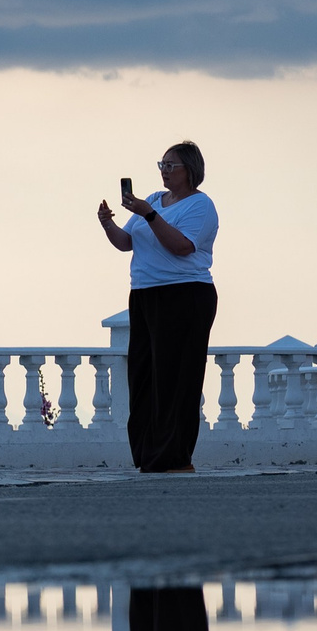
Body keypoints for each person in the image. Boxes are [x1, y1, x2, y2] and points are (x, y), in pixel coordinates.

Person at [96, 141, 219, 473]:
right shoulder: (152, 200)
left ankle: (176, 457)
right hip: (145, 295)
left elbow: (181, 246)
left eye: (171, 166)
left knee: (176, 378)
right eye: (161, 165)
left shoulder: (200, 206)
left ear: (190, 170)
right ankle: (149, 454)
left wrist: (148, 215)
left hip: (185, 294)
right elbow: (126, 243)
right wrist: (108, 223)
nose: (164, 171)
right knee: (143, 376)